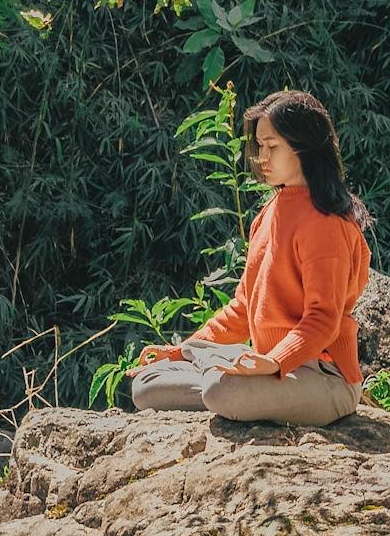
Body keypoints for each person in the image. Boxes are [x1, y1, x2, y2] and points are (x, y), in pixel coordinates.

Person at [129, 89, 372, 427]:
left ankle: (228, 384)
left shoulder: (325, 224)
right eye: (259, 146)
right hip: (266, 368)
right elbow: (243, 309)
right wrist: (181, 349)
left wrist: (273, 362)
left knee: (221, 389)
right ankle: (223, 378)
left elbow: (322, 319)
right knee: (146, 384)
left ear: (305, 148)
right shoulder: (270, 213)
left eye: (272, 147)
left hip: (325, 377)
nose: (261, 157)